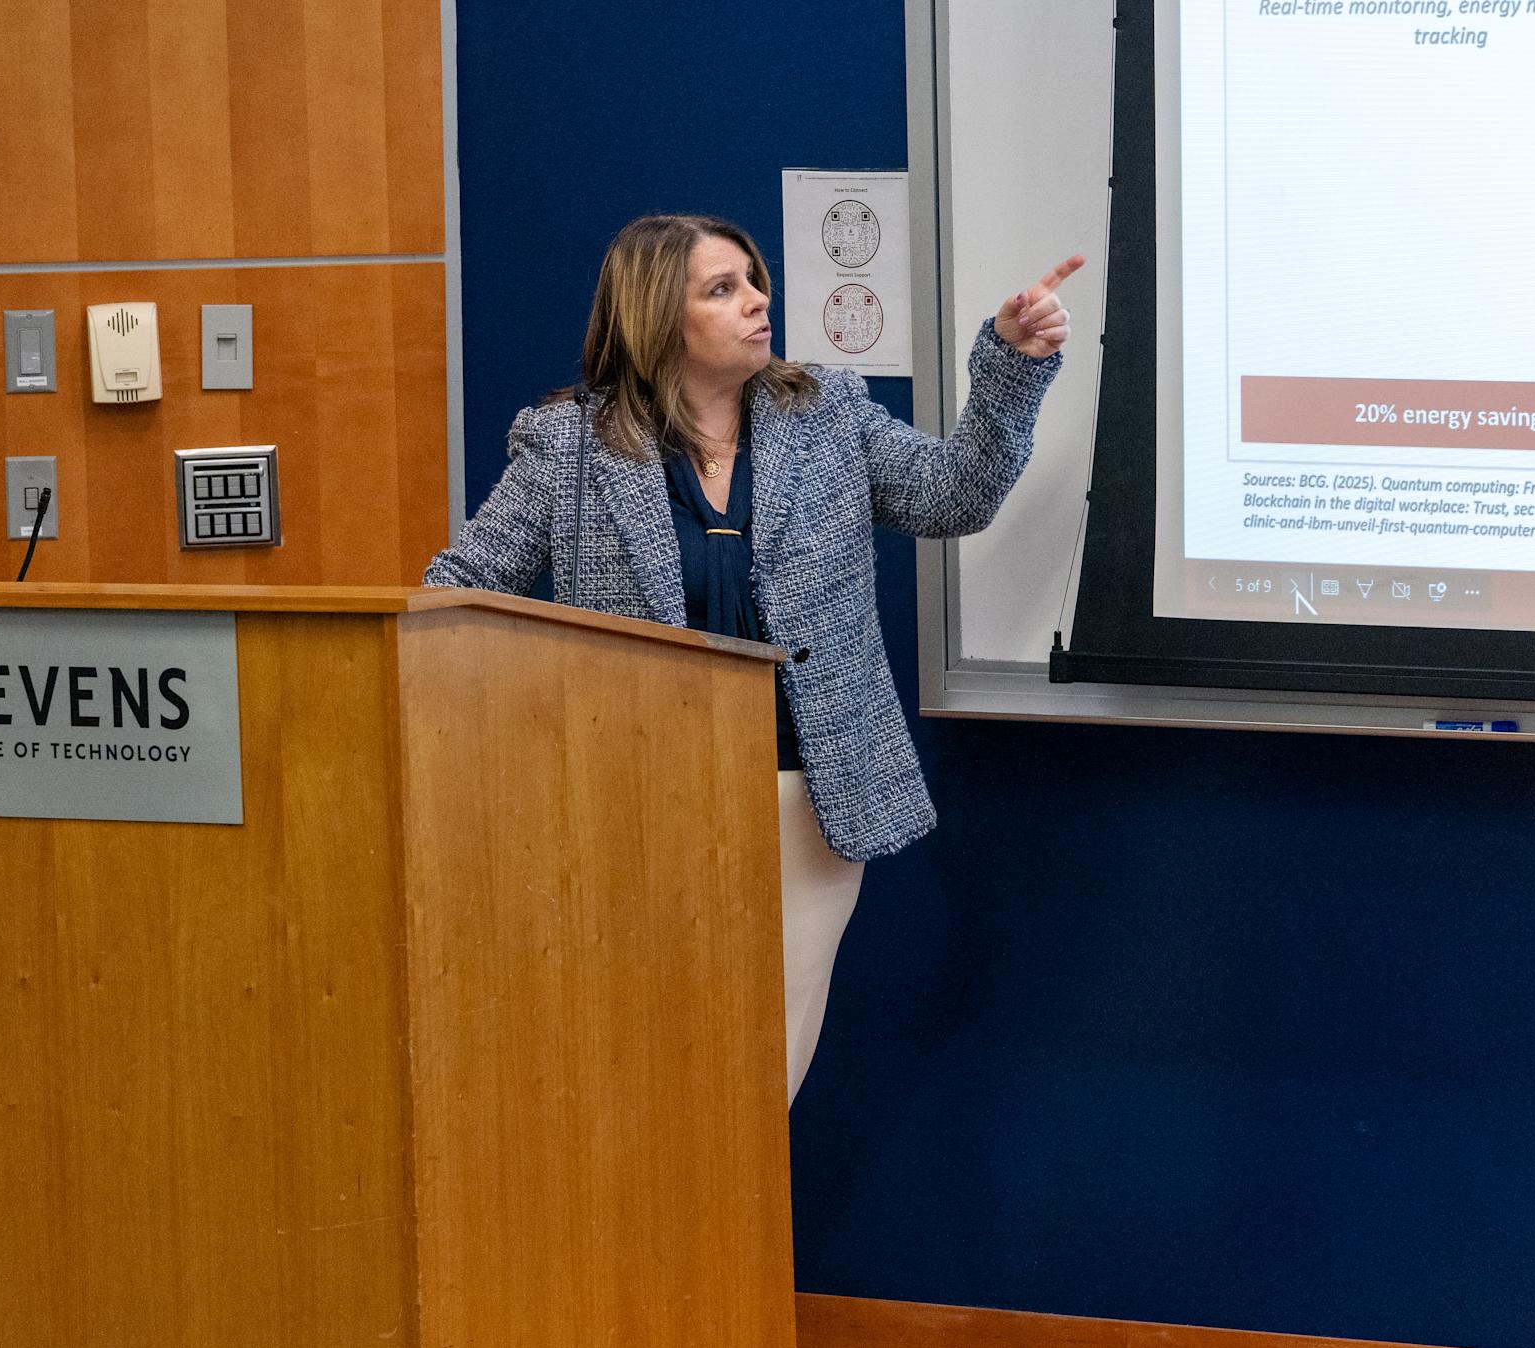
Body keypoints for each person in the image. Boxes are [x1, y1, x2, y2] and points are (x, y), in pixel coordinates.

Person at [426, 213, 1079, 1101]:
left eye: (755, 281)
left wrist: (1011, 364)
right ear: (659, 315)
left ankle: (727, 1236)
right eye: (723, 288)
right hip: (632, 802)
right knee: (644, 1061)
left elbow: (954, 496)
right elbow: (463, 585)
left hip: (805, 799)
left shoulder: (829, 412)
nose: (758, 300)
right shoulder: (568, 447)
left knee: (764, 1069)